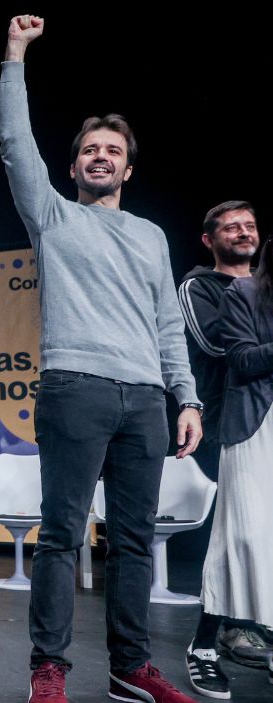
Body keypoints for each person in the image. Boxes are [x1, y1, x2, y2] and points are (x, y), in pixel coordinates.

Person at [0, 16, 202, 703]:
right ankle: (48, 667)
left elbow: (168, 322)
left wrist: (188, 396)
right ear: (73, 164)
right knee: (60, 535)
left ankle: (130, 666)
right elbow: (13, 142)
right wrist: (16, 55)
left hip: (145, 399)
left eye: (112, 149)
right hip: (75, 388)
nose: (100, 156)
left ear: (127, 166)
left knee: (135, 542)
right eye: (90, 148)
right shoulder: (54, 217)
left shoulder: (151, 235)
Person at [177, 201, 270, 697]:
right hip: (226, 420)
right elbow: (219, 348)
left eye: (250, 225)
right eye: (231, 226)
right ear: (209, 239)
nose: (243, 232)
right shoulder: (198, 286)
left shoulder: (267, 289)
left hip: (269, 419)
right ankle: (207, 643)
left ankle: (253, 629)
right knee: (236, 537)